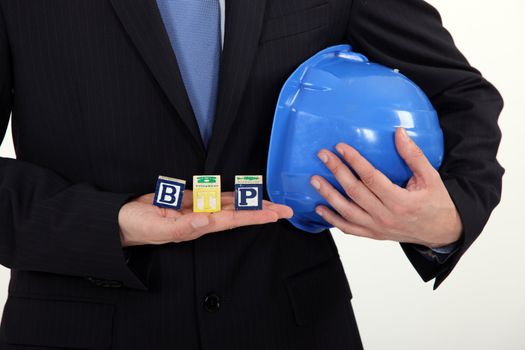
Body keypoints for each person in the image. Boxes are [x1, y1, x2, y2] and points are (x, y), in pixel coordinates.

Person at [0, 0, 503, 349]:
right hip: (83, 326)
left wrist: (448, 217)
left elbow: (458, 97)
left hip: (292, 327)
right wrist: (113, 222)